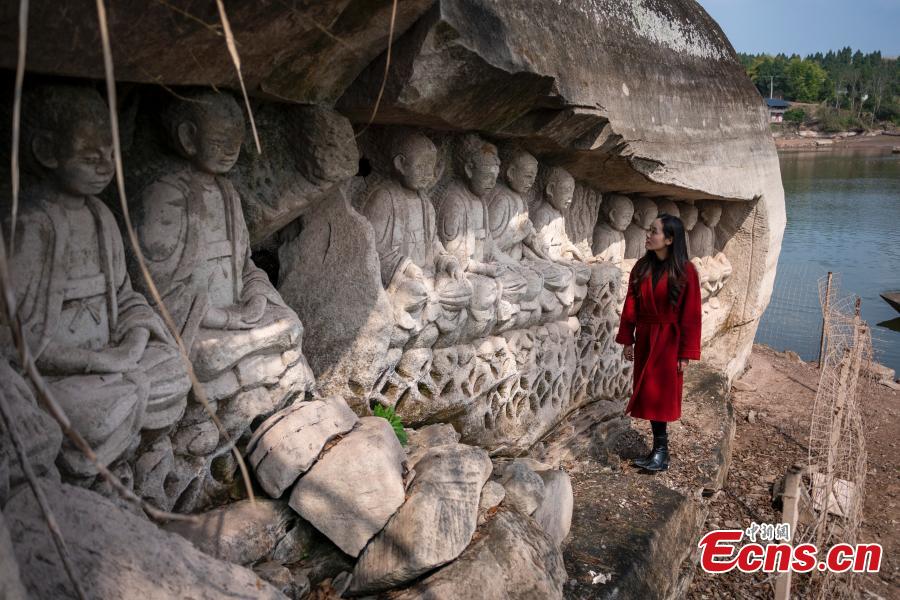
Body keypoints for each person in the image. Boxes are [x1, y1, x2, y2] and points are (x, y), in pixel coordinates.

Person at [615, 213, 702, 472]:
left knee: (661, 396)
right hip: (645, 337)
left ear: (669, 238)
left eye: (654, 231)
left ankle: (661, 452)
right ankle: (658, 452)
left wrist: (684, 353)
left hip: (670, 342)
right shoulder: (641, 267)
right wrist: (627, 339)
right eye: (649, 230)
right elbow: (630, 305)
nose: (648, 235)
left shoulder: (686, 271)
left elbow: (692, 316)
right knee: (648, 393)